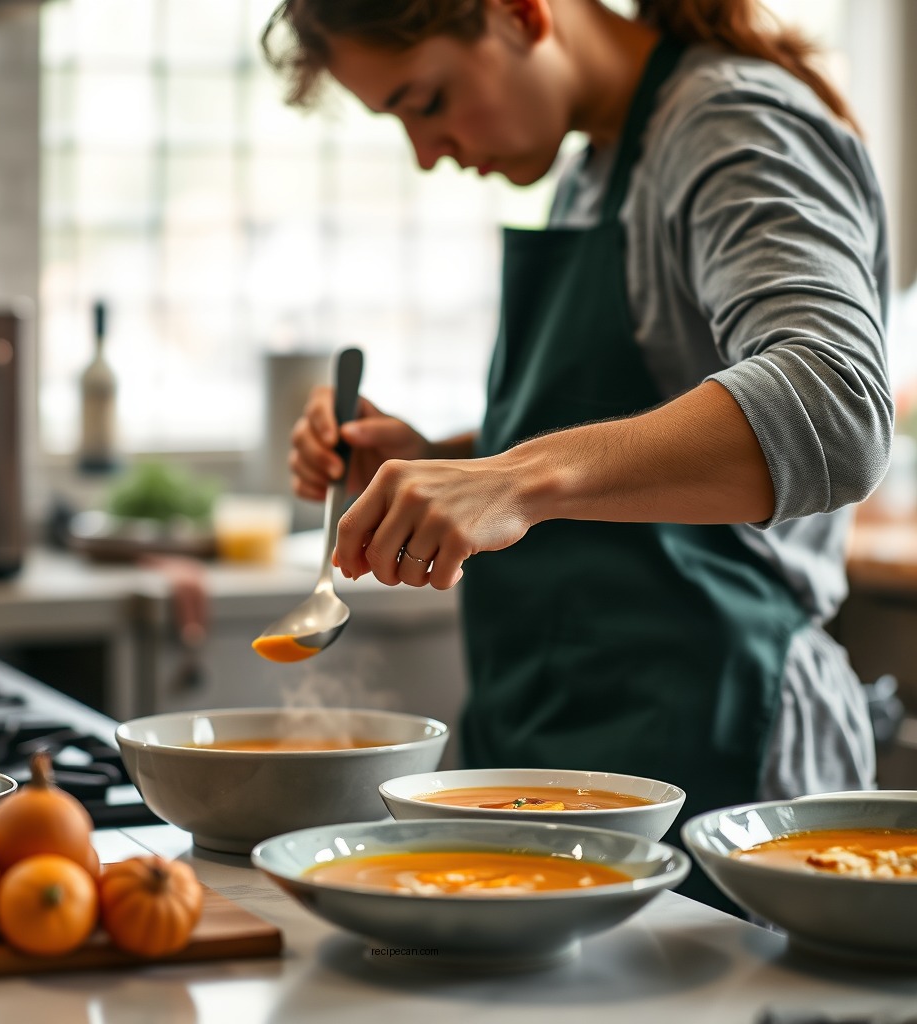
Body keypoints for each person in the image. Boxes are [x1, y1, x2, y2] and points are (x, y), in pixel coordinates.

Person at [262, 0, 893, 908]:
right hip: (561, 742)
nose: (427, 152)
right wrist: (443, 461)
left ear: (520, 14)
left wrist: (512, 478)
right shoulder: (595, 164)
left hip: (721, 745)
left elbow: (835, 405)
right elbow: (627, 433)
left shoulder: (730, 125)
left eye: (427, 100)